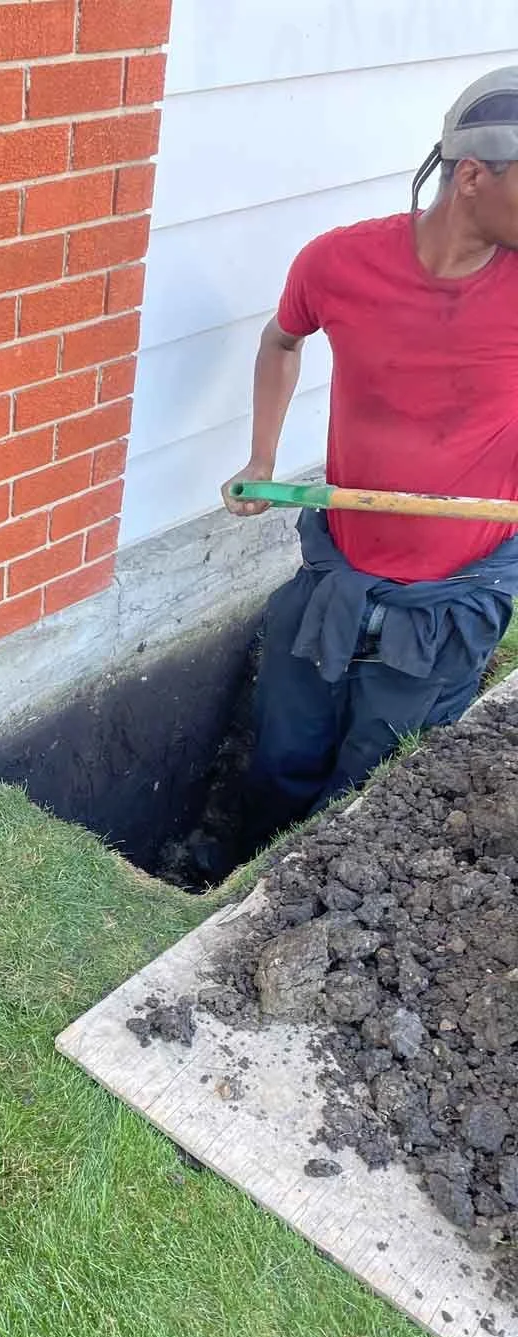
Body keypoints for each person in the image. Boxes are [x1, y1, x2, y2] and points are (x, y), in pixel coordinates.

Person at [222, 65, 518, 846]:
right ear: (473, 176)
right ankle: (243, 863)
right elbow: (281, 341)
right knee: (285, 752)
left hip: (452, 595)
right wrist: (263, 456)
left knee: (375, 778)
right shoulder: (339, 264)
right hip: (339, 569)